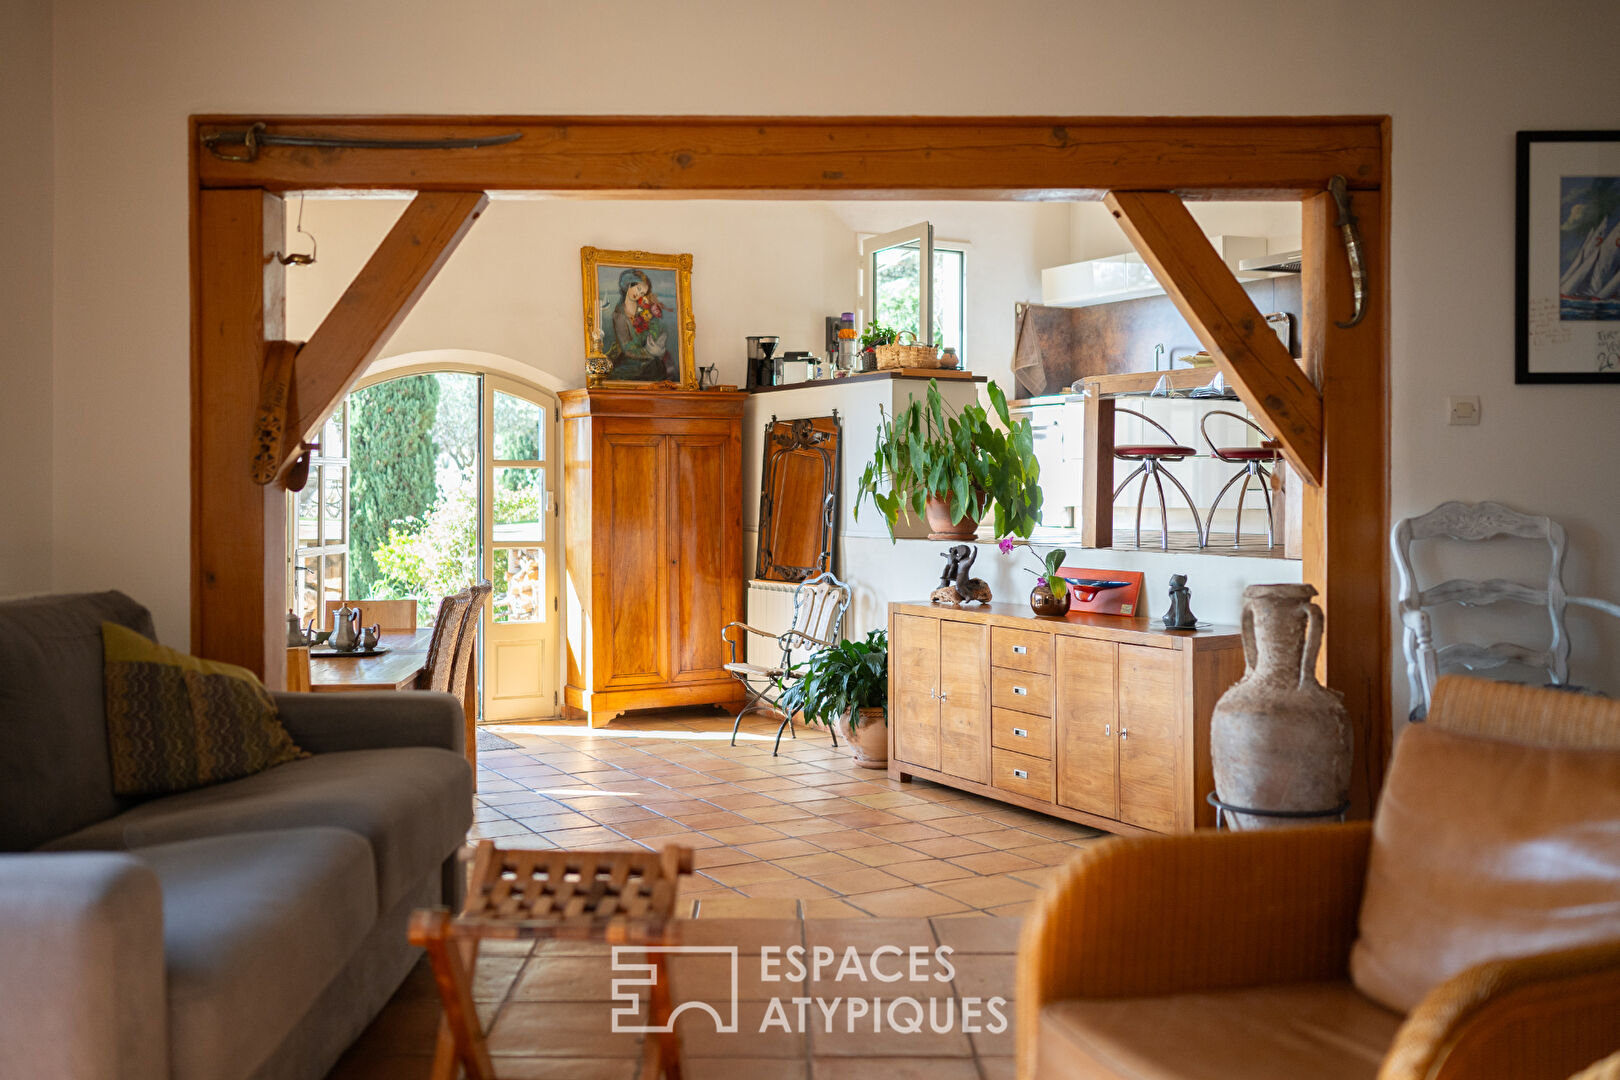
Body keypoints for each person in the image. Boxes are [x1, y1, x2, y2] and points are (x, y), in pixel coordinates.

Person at [603, 268, 675, 381]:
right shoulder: (619, 315)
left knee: (659, 367)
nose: (638, 294)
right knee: (653, 368)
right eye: (638, 289)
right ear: (629, 284)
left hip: (650, 356)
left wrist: (657, 346)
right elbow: (627, 349)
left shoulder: (645, 308)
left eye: (642, 293)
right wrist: (651, 353)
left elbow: (657, 328)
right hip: (630, 359)